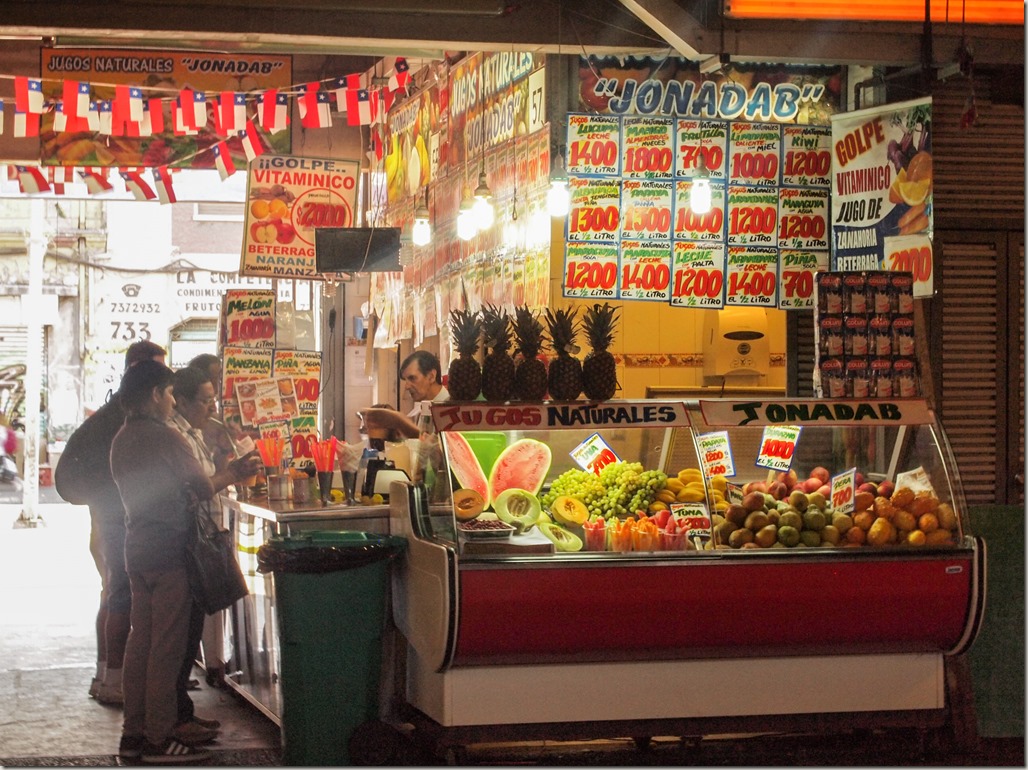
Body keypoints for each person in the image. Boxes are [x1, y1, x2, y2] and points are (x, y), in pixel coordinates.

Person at [110, 360, 217, 764]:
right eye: (170, 393)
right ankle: (158, 739)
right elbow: (204, 486)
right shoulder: (168, 437)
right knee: (166, 650)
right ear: (156, 394)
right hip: (171, 551)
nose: (173, 400)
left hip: (135, 549)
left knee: (141, 643)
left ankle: (133, 734)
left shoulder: (122, 438)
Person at [54, 339, 167, 705]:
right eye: (158, 375)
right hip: (119, 518)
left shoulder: (108, 414)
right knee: (121, 597)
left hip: (104, 516)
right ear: (141, 373)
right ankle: (116, 682)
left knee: (111, 594)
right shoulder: (127, 418)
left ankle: (105, 675)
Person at [167, 366, 261, 746]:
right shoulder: (175, 435)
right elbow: (199, 488)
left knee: (191, 631)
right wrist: (233, 472)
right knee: (180, 635)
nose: (211, 406)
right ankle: (173, 719)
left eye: (212, 400)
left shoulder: (193, 431)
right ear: (181, 400)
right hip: (183, 541)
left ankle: (182, 712)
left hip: (194, 537)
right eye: (204, 400)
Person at [362, 350, 450, 440]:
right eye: (406, 380)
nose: (407, 386)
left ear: (431, 376)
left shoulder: (449, 409)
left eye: (412, 378)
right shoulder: (422, 409)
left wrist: (399, 422)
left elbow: (437, 447)